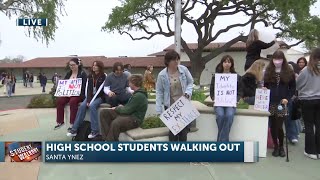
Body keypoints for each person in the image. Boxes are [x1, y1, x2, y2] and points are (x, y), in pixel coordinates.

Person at [263, 50, 296, 157]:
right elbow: (266, 85)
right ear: (272, 59)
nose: (277, 61)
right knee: (272, 125)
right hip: (271, 101)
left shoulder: (289, 72)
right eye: (275, 59)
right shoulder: (268, 71)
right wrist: (264, 88)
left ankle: (281, 146)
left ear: (283, 60)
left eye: (279, 59)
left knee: (279, 125)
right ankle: (276, 146)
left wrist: (287, 98)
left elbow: (292, 88)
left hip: (282, 102)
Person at [156, 50, 194, 141]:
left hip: (183, 103)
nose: (176, 62)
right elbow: (159, 91)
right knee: (173, 130)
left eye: (177, 59)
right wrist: (158, 109)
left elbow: (190, 82)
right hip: (170, 105)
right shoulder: (162, 75)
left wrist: (188, 92)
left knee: (183, 130)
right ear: (168, 61)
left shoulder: (183, 70)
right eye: (174, 60)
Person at [99, 74, 148, 141]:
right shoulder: (136, 94)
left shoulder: (139, 96)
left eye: (130, 82)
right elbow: (129, 108)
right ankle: (107, 139)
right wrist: (122, 107)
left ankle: (110, 142)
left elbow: (126, 110)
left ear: (134, 83)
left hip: (134, 119)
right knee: (104, 113)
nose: (129, 84)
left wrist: (117, 108)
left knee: (116, 123)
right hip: (128, 115)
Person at [67, 61, 107, 139]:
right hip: (90, 97)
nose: (94, 67)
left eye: (96, 65)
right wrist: (88, 100)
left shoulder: (104, 76)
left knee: (92, 106)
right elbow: (88, 89)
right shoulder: (90, 76)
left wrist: (91, 102)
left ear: (100, 67)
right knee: (82, 106)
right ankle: (74, 130)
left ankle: (95, 131)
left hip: (100, 97)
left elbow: (101, 90)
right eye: (93, 65)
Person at [210, 55, 242, 142]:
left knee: (229, 115)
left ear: (232, 64)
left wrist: (237, 99)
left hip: (231, 103)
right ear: (222, 63)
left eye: (229, 62)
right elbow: (212, 90)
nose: (227, 64)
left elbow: (240, 91)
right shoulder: (216, 76)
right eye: (225, 62)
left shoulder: (237, 77)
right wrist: (213, 98)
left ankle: (220, 142)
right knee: (220, 116)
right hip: (219, 102)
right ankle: (224, 142)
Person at [296, 48, 320, 160]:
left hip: (307, 100)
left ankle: (310, 151)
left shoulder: (306, 70)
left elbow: (298, 84)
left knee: (309, 125)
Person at [54, 58, 87, 130]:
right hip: (68, 94)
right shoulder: (68, 73)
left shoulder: (82, 73)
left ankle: (72, 123)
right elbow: (65, 84)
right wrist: (63, 92)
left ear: (78, 65)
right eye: (70, 65)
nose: (71, 66)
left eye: (73, 65)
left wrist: (76, 91)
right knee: (59, 101)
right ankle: (60, 121)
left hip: (78, 94)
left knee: (73, 101)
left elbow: (84, 86)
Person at [296, 57, 308, 133]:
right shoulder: (295, 71)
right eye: (299, 62)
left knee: (303, 112)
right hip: (297, 94)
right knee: (298, 111)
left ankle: (303, 126)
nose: (301, 63)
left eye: (302, 62)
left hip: (304, 94)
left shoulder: (306, 71)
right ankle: (299, 127)